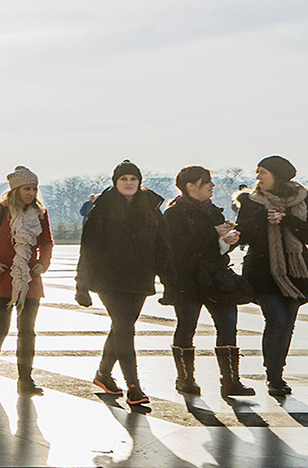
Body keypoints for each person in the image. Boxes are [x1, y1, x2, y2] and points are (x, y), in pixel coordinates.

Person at [77, 159, 163, 410]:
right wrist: (81, 286)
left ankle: (103, 374)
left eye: (133, 179)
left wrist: (169, 279)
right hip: (109, 280)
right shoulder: (103, 209)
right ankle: (134, 386)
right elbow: (89, 249)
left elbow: (162, 245)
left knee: (120, 328)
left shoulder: (151, 208)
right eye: (123, 179)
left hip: (139, 278)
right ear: (115, 182)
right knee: (125, 328)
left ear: (139, 182)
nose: (128, 183)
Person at [161, 164, 252, 399]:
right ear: (190, 186)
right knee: (186, 326)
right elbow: (175, 248)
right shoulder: (173, 214)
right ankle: (185, 379)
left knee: (228, 326)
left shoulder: (214, 211)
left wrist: (227, 240)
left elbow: (217, 250)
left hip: (216, 277)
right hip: (187, 279)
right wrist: (214, 234)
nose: (212, 185)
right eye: (206, 182)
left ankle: (231, 381)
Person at [0, 166, 54, 395]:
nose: (31, 193)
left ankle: (25, 378)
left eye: (34, 188)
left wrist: (43, 262)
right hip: (2, 279)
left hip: (29, 279)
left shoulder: (40, 213)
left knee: (28, 330)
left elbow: (46, 241)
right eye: (27, 189)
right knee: (1, 327)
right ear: (15, 190)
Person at [236, 155, 307, 398]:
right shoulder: (251, 201)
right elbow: (242, 235)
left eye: (262, 172)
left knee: (287, 325)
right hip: (263, 272)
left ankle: (278, 373)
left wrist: (288, 220)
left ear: (277, 175)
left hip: (296, 273)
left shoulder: (303, 199)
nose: (257, 178)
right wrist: (261, 219)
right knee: (276, 320)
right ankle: (273, 377)